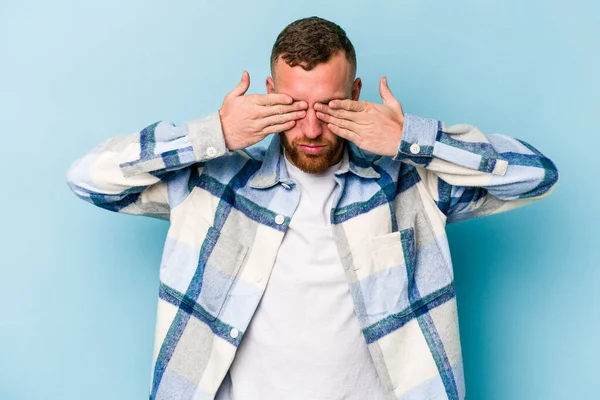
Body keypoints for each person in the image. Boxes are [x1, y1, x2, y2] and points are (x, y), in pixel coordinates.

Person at [66, 16, 558, 400]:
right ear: (270, 91)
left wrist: (410, 139)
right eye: (294, 106)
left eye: (328, 106)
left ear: (356, 95)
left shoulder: (411, 186)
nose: (310, 128)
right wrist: (211, 133)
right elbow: (89, 179)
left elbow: (535, 175)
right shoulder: (210, 185)